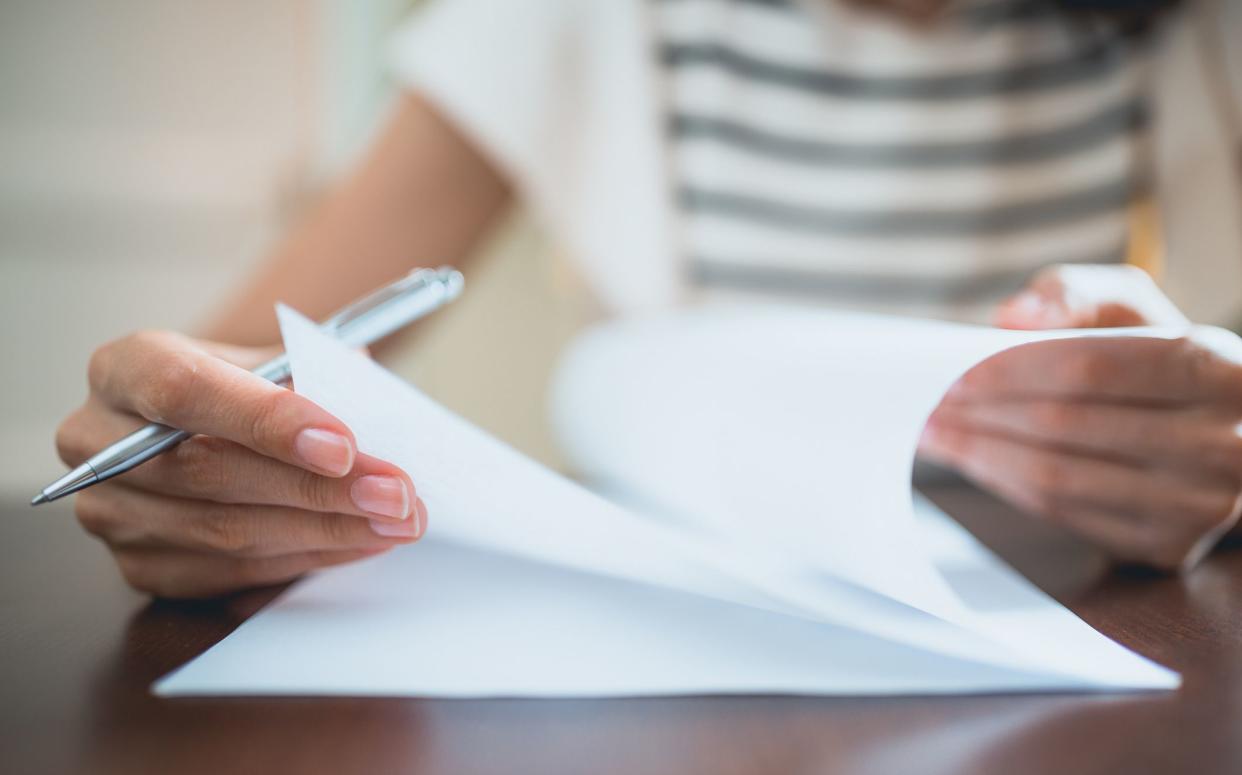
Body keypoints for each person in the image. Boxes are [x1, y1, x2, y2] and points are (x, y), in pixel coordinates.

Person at [53, 0, 1242, 598]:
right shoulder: (569, 17)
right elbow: (246, 366)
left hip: (1064, 600)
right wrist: (183, 442)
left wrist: (1215, 434)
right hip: (685, 603)